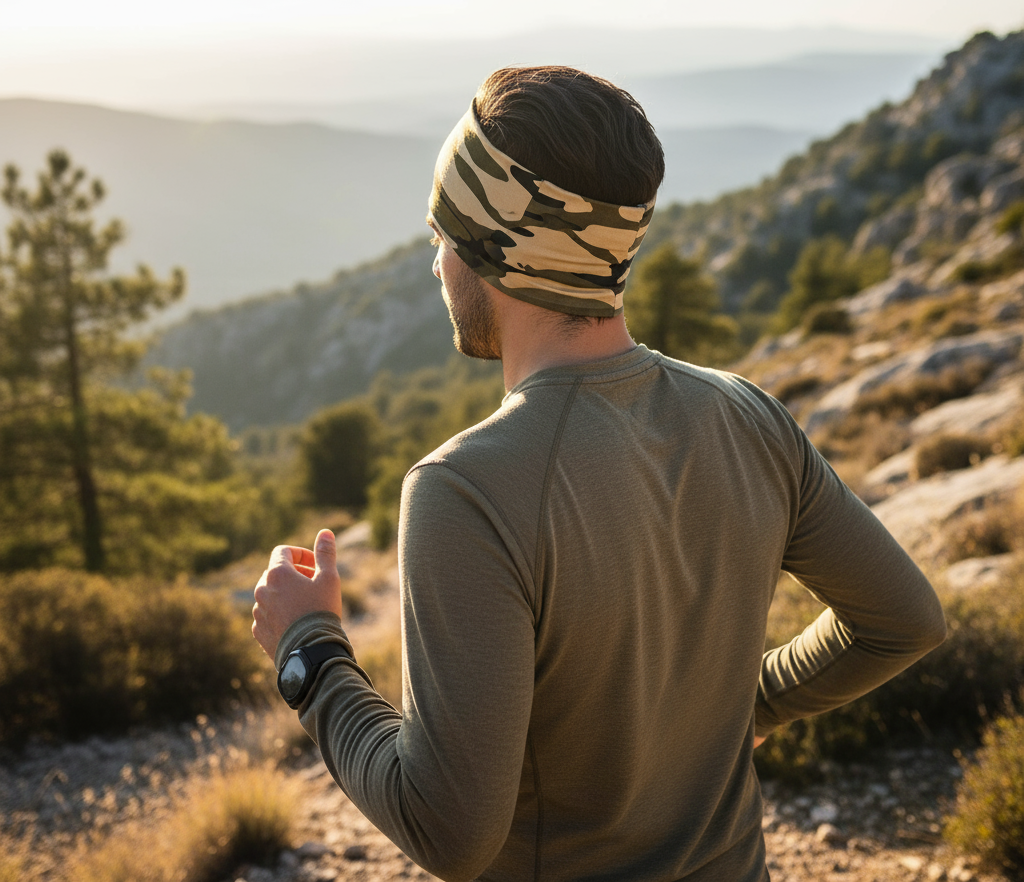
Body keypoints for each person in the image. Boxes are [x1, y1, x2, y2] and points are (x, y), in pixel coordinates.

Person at [252, 66, 947, 882]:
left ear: (494, 251)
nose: (434, 261)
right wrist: (746, 707)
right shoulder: (746, 415)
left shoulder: (463, 490)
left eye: (443, 234)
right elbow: (903, 619)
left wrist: (311, 653)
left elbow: (450, 831)